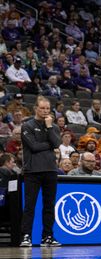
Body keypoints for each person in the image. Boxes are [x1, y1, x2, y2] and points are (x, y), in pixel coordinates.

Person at [20, 96, 62, 247]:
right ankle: (26, 236)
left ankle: (48, 237)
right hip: (32, 171)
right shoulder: (27, 125)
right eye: (42, 108)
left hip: (50, 170)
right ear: (35, 109)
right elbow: (34, 147)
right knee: (29, 206)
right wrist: (49, 145)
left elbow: (57, 143)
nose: (45, 111)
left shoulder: (54, 127)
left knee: (49, 205)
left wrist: (49, 127)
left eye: (47, 108)